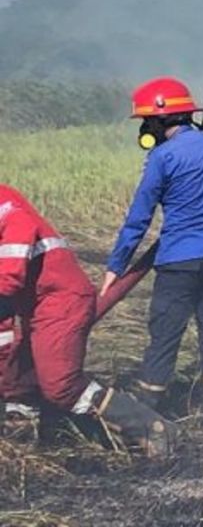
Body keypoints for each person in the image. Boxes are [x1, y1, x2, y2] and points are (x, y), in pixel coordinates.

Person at [100, 77, 203, 414]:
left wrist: (115, 267)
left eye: (148, 120)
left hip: (178, 261)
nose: (146, 127)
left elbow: (139, 218)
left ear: (162, 119)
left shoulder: (162, 157)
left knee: (164, 334)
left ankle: (149, 414)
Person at [0, 185, 175, 455]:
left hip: (60, 301)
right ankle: (26, 449)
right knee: (16, 380)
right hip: (33, 305)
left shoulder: (9, 212)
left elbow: (6, 284)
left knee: (60, 385)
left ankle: (150, 427)